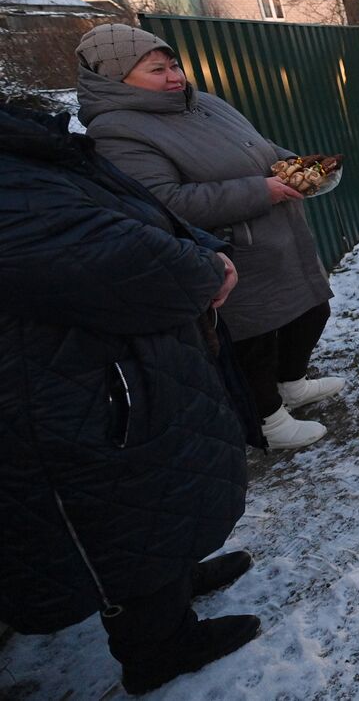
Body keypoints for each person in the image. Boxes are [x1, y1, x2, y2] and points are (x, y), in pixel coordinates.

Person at [0, 101, 262, 695]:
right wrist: (205, 270)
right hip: (68, 385)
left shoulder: (33, 145)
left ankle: (171, 578)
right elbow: (104, 253)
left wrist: (199, 248)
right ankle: (159, 650)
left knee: (156, 492)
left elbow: (143, 213)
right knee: (117, 513)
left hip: (114, 363)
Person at [76, 24, 344, 452]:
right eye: (157, 69)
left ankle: (291, 382)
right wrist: (263, 191)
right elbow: (161, 202)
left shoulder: (204, 104)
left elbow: (259, 147)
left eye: (174, 64)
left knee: (311, 310)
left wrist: (298, 165)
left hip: (279, 237)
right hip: (230, 249)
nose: (175, 76)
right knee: (252, 338)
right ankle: (267, 421)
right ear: (115, 78)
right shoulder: (117, 131)